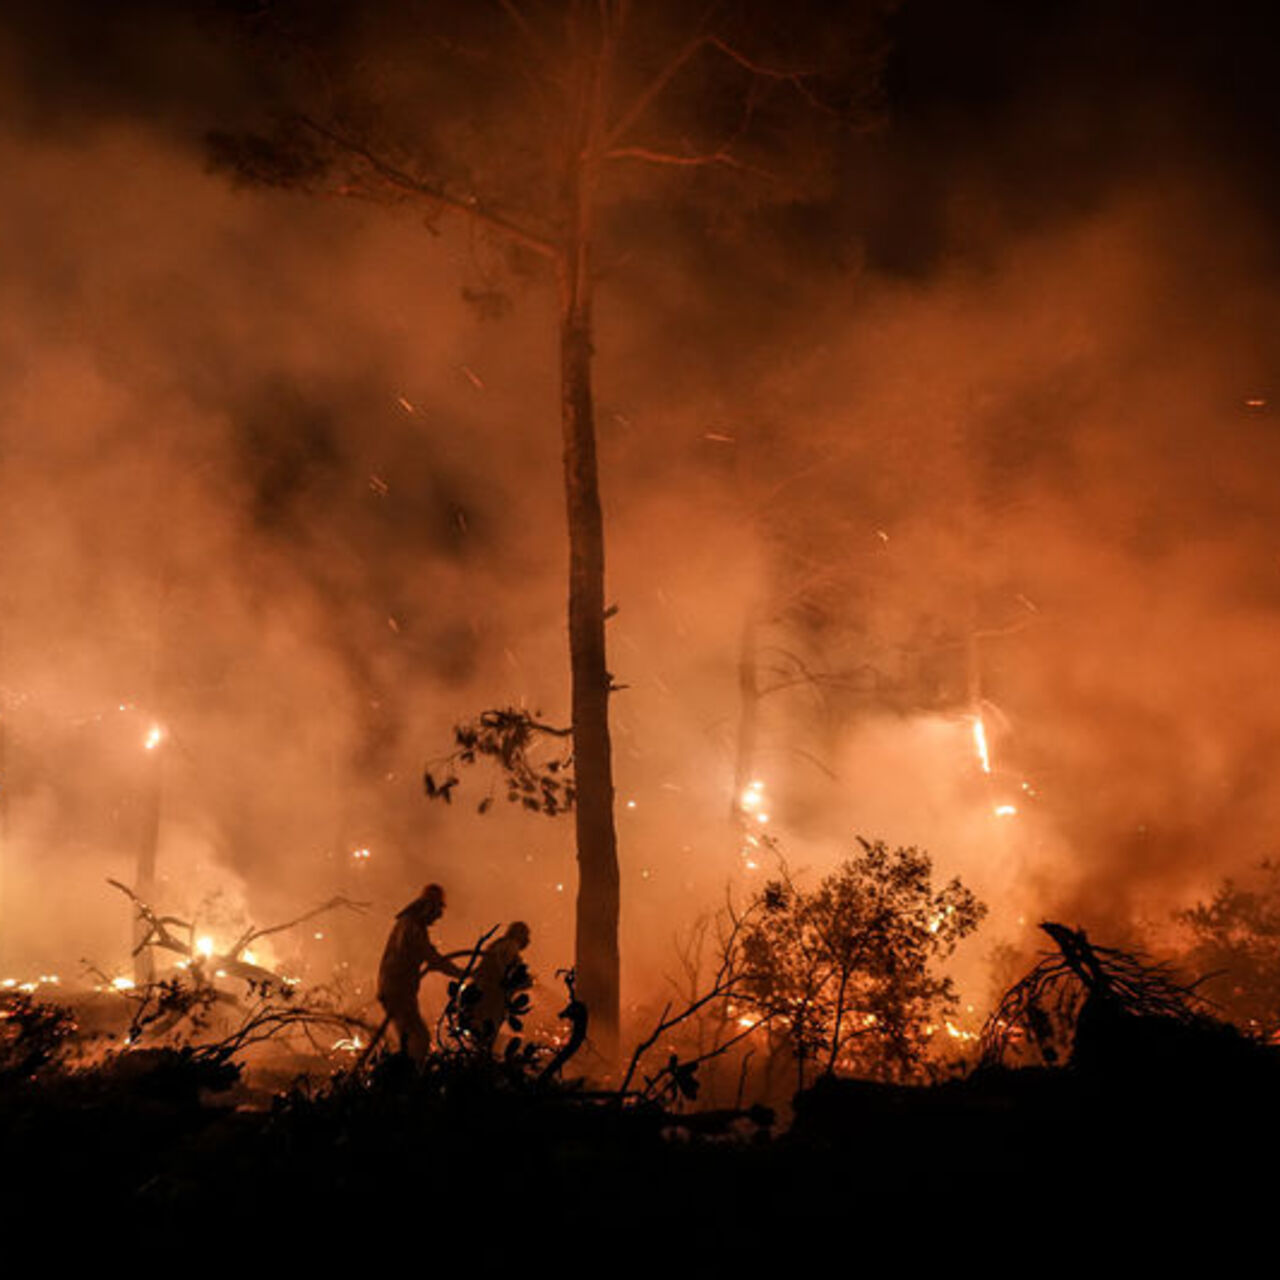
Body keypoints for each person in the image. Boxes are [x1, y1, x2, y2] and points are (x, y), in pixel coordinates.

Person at [376, 883, 465, 1060]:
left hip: (398, 989)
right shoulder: (411, 926)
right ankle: (411, 1079)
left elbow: (427, 954)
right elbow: (430, 956)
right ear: (429, 907)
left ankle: (402, 1075)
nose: (437, 917)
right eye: (437, 910)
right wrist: (460, 973)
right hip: (397, 989)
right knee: (419, 1038)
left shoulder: (410, 924)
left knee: (408, 1040)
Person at [459, 921, 532, 1050]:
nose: (528, 940)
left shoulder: (497, 945)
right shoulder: (510, 946)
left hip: (483, 993)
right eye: (526, 935)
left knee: (480, 1034)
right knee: (487, 1034)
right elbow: (504, 973)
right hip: (493, 996)